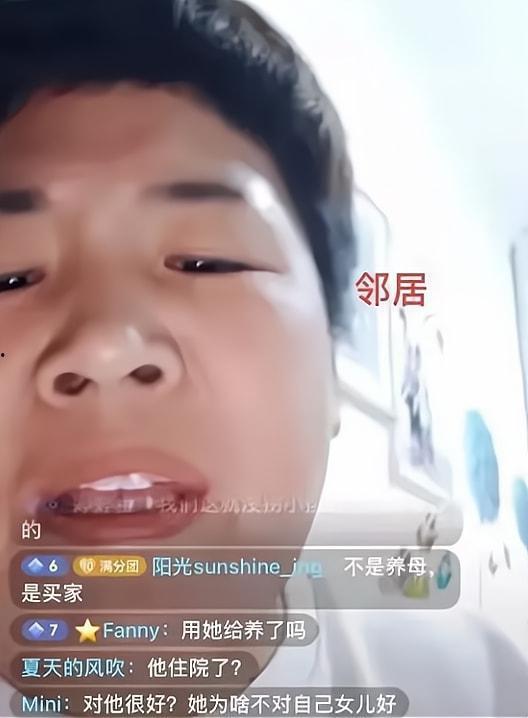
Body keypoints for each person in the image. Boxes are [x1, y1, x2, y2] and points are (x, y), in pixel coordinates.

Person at [0, 1, 526, 716]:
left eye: (206, 261)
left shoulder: (486, 690)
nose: (106, 343)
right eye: (9, 276)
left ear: (332, 369)